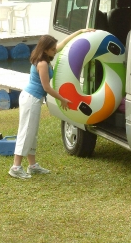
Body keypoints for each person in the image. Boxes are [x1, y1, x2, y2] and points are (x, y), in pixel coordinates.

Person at [9, 29, 93, 179]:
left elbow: (64, 43)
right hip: (31, 98)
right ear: (46, 49)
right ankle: (16, 167)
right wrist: (62, 99)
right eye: (53, 49)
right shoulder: (42, 63)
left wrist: (81, 31)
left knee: (32, 132)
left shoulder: (46, 56)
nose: (55, 51)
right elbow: (46, 87)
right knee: (26, 132)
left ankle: (32, 165)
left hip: (33, 99)